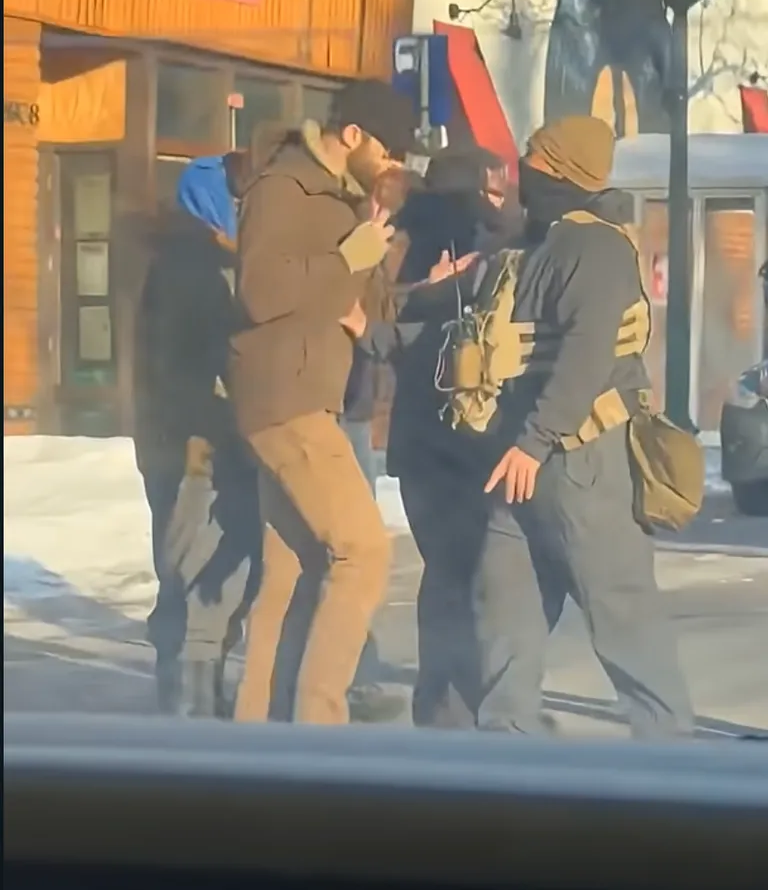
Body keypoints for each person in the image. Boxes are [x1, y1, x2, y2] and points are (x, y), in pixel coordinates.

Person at [467, 115, 694, 738]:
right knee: (506, 610)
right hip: (518, 454)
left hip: (580, 456)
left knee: (621, 610)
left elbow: (586, 355)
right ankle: (507, 750)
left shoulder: (597, 248)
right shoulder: (535, 242)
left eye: (535, 159)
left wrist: (534, 441)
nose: (524, 169)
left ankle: (671, 750)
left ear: (562, 170)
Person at [230, 79, 420, 725]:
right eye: (388, 151)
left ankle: (258, 732)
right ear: (353, 134)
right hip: (287, 396)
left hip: (306, 391)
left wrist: (394, 272)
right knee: (364, 551)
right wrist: (351, 255)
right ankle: (321, 725)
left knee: (292, 571)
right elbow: (261, 291)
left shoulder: (337, 196)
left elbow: (345, 301)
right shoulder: (285, 187)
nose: (392, 165)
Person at [364, 146, 531, 727]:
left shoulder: (397, 242)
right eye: (490, 188)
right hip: (465, 439)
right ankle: (462, 706)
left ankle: (441, 707)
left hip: (416, 441)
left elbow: (376, 330)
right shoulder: (482, 245)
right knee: (474, 574)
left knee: (445, 574)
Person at [133, 155, 262, 717]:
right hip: (194, 442)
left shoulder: (179, 257)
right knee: (196, 565)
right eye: (235, 200)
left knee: (182, 562)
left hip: (172, 438)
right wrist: (203, 427)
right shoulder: (195, 265)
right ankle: (191, 701)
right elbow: (183, 361)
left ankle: (185, 691)